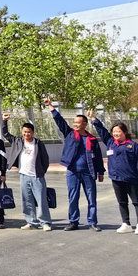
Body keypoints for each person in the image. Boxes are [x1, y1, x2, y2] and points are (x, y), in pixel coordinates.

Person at [45, 99, 105, 231]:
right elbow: (59, 121)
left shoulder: (92, 139)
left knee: (91, 198)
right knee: (73, 197)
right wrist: (50, 106)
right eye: (74, 122)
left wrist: (100, 172)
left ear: (85, 124)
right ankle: (73, 222)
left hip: (88, 172)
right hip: (72, 171)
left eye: (78, 122)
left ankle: (92, 222)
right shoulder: (70, 134)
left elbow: (98, 157)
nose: (75, 124)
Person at [90, 111, 138, 234]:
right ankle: (126, 224)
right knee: (122, 202)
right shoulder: (111, 143)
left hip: (132, 179)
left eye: (119, 131)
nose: (116, 133)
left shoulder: (133, 145)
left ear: (124, 132)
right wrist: (94, 119)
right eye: (114, 131)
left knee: (136, 202)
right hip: (116, 178)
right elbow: (102, 131)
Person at [2, 115, 51, 231]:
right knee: (27, 200)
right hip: (24, 175)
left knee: (41, 200)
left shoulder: (38, 143)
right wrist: (4, 121)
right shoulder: (18, 141)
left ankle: (45, 222)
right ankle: (31, 222)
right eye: (24, 132)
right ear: (22, 132)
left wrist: (41, 172)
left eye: (29, 132)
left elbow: (45, 160)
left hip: (37, 176)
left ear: (33, 133)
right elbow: (5, 134)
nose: (26, 134)